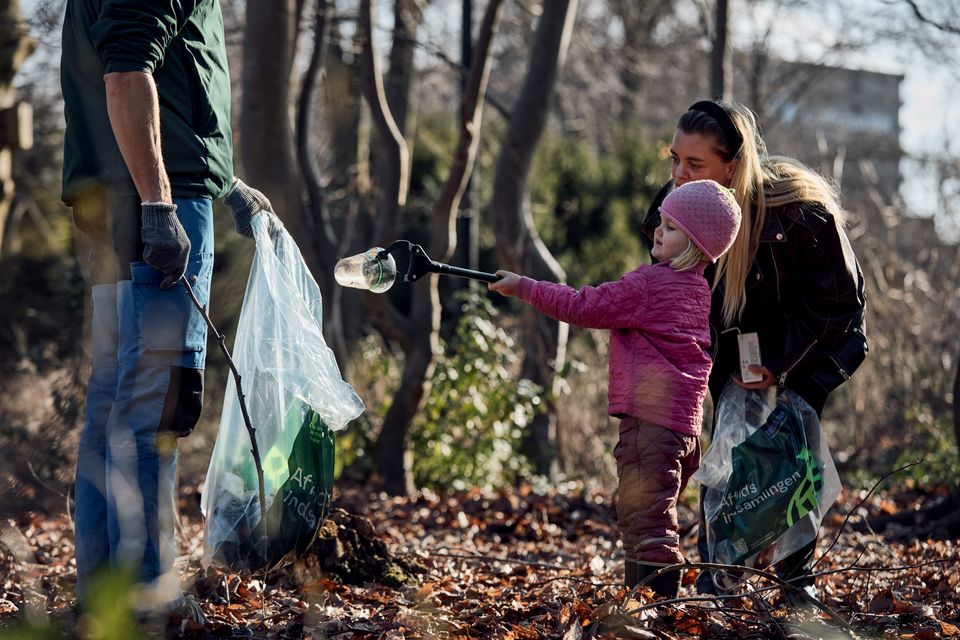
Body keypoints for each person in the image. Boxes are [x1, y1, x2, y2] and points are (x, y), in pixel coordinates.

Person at [61, 0, 274, 616]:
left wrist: (222, 178)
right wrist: (161, 205)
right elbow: (126, 74)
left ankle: (103, 598)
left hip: (116, 197)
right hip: (155, 204)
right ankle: (148, 600)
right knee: (156, 402)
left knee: (115, 403)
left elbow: (168, 80)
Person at [640, 99, 868, 602]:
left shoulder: (801, 218)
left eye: (695, 164)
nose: (679, 174)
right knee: (727, 450)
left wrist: (780, 367)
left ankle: (794, 581)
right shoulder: (671, 207)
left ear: (733, 166)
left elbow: (838, 307)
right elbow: (669, 295)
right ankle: (718, 576)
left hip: (809, 345)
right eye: (674, 158)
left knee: (789, 449)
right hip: (731, 351)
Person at [490, 180, 742, 597]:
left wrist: (525, 288)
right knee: (646, 512)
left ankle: (654, 602)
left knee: (645, 518)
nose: (658, 231)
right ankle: (643, 597)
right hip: (683, 428)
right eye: (661, 221)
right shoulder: (698, 290)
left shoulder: (650, 286)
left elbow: (584, 305)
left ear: (697, 245)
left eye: (671, 227)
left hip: (652, 424)